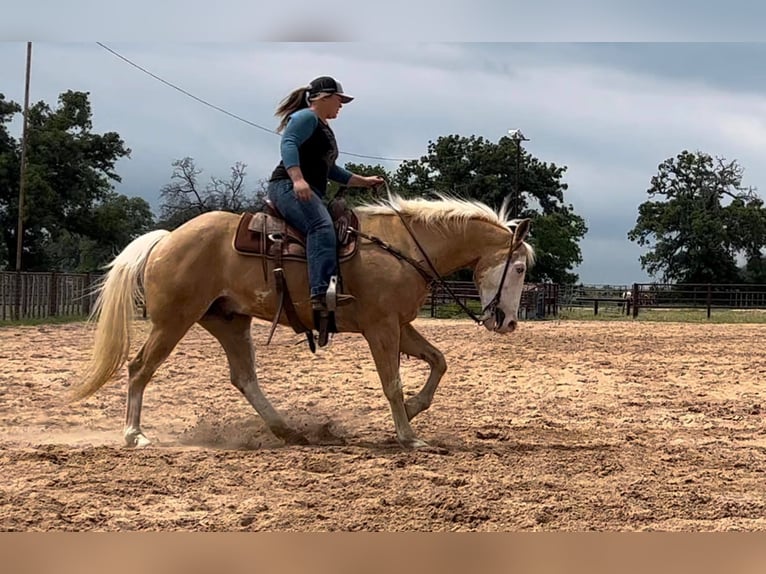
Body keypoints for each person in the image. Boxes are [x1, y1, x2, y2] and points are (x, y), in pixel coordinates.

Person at [267, 76, 383, 311]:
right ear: (324, 98)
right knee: (320, 226)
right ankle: (320, 293)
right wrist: (298, 179)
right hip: (287, 186)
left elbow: (330, 169)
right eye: (339, 100)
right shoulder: (306, 117)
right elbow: (289, 143)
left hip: (306, 189)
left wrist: (364, 181)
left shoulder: (322, 127)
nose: (341, 105)